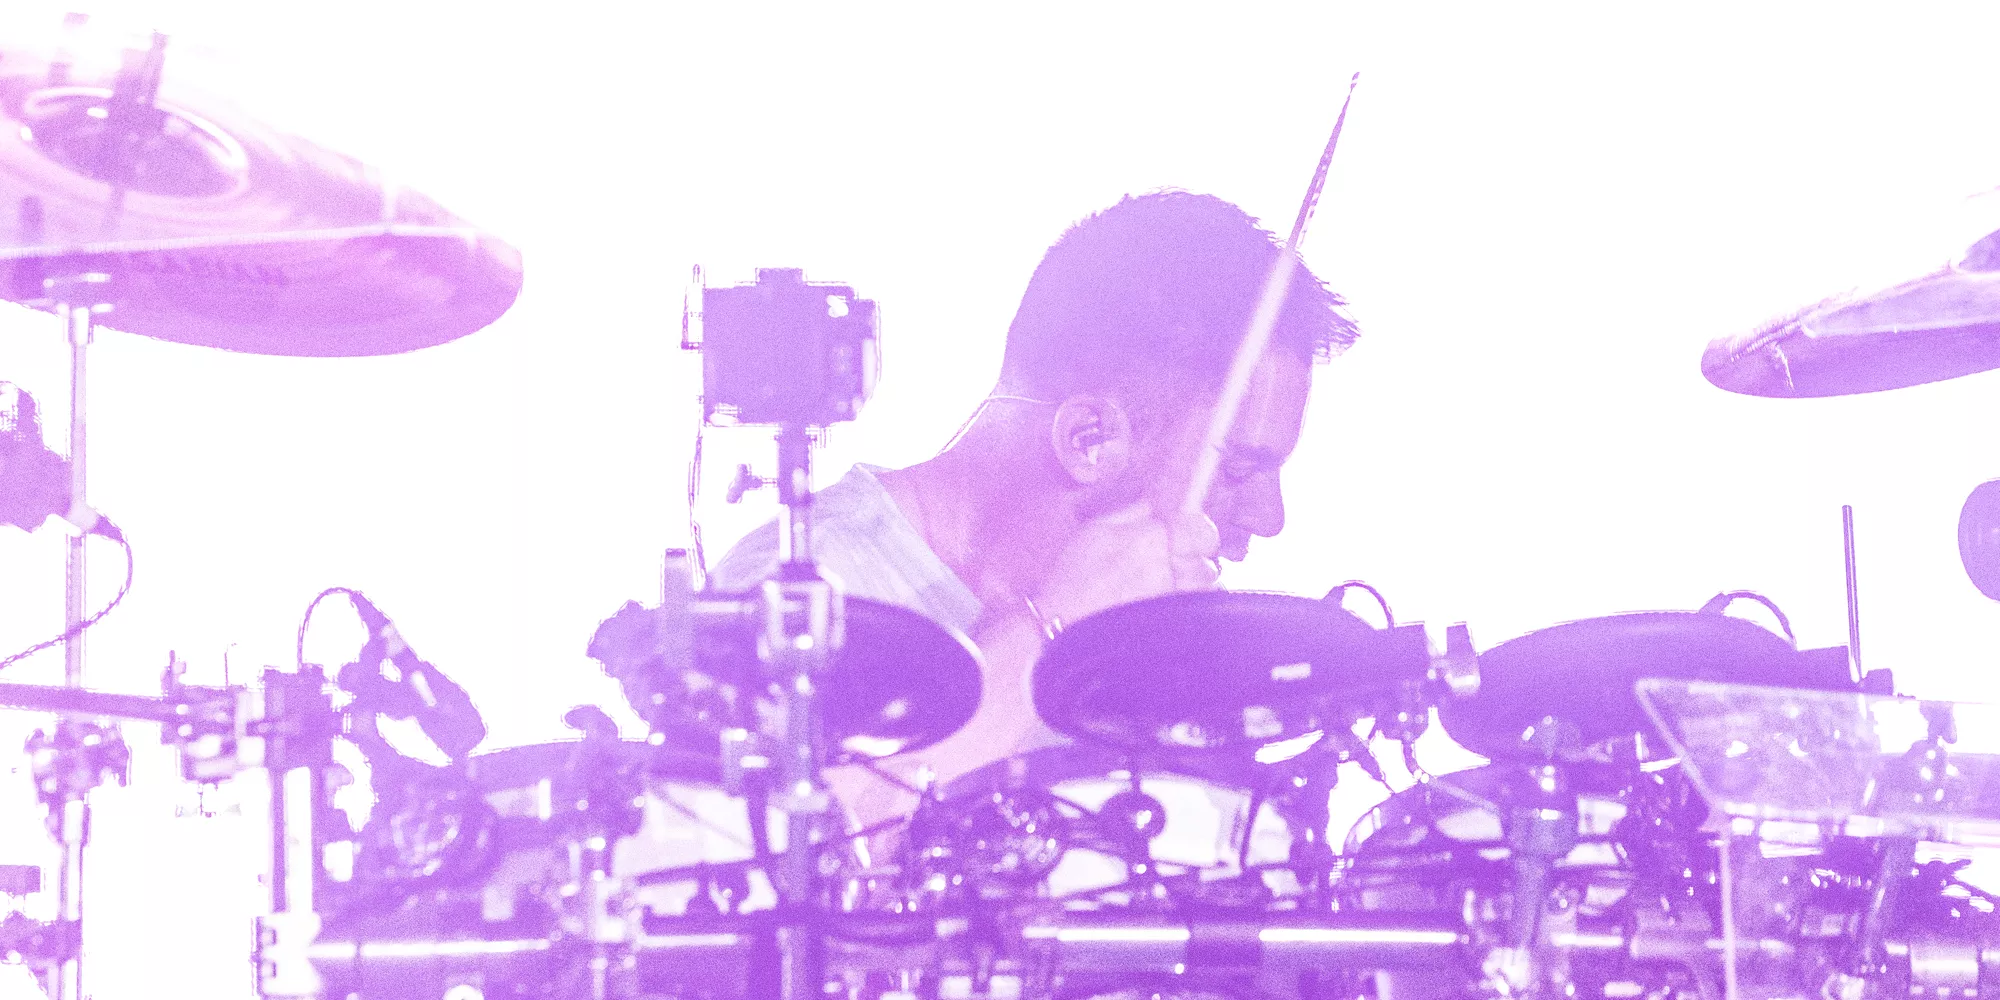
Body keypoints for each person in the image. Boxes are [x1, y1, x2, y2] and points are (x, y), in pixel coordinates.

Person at [694, 189, 1357, 827]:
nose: (1270, 517)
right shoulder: (799, 591)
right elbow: (798, 866)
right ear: (1088, 438)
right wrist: (1047, 633)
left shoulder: (1143, 662)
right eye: (1237, 467)